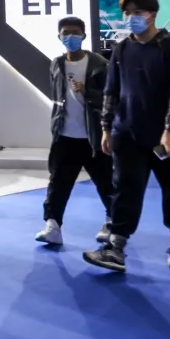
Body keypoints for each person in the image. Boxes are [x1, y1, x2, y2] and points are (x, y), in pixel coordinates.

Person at [84, 0, 170, 273]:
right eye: (127, 13)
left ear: (152, 15)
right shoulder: (121, 49)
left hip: (166, 139)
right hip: (127, 134)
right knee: (124, 191)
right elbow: (111, 92)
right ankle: (116, 248)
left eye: (137, 12)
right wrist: (106, 128)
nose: (131, 18)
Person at [36, 17, 113, 246]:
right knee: (58, 182)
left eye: (75, 33)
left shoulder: (100, 64)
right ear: (59, 36)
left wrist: (88, 91)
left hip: (94, 136)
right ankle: (53, 225)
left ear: (84, 36)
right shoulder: (56, 64)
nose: (70, 37)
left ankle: (113, 222)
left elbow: (112, 98)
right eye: (66, 33)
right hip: (65, 135)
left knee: (106, 182)